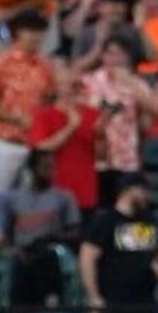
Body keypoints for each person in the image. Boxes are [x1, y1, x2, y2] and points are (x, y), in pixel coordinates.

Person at [80, 172, 158, 313]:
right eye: (144, 190)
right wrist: (94, 298)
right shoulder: (106, 221)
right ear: (129, 190)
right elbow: (87, 258)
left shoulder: (150, 222)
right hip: (113, 304)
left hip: (145, 306)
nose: (147, 196)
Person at [0, 10, 55, 195]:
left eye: (40, 32)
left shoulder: (45, 67)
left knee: (28, 202)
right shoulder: (1, 63)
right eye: (31, 31)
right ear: (18, 33)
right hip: (6, 142)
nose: (36, 37)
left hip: (35, 145)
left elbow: (50, 100)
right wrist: (17, 120)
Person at [85, 36, 158, 208]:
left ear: (127, 58)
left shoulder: (136, 82)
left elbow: (155, 108)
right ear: (102, 56)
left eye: (119, 54)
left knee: (128, 209)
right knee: (102, 209)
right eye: (110, 54)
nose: (114, 59)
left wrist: (130, 82)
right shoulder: (89, 82)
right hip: (98, 157)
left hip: (127, 157)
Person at [7, 151, 81, 313]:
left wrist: (53, 237)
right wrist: (13, 249)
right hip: (21, 253)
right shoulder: (13, 199)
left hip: (49, 251)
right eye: (46, 168)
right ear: (32, 170)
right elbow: (6, 233)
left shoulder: (64, 197)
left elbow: (75, 232)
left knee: (45, 258)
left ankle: (52, 305)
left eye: (52, 168)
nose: (51, 172)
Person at [29, 64, 102, 216]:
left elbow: (102, 156)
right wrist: (71, 127)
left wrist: (101, 135)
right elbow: (42, 148)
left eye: (74, 85)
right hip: (55, 188)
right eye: (65, 85)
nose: (70, 90)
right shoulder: (44, 115)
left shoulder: (93, 115)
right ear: (55, 88)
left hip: (85, 188)